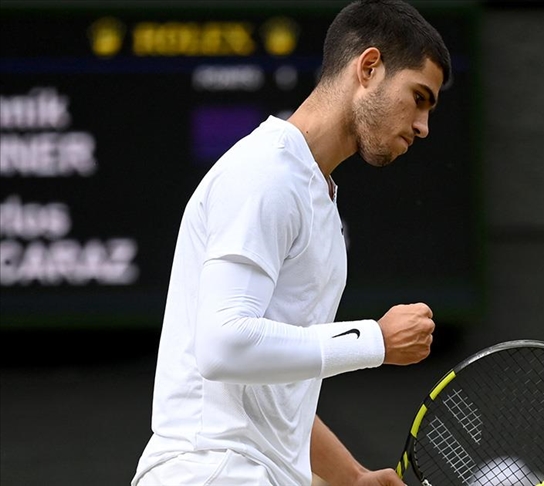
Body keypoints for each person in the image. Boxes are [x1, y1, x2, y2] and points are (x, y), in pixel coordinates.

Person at [131, 1, 451, 484]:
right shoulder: (266, 173)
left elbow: (273, 385)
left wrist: (352, 476)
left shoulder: (316, 199)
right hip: (213, 471)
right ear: (369, 68)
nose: (423, 126)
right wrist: (376, 340)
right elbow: (225, 347)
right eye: (419, 97)